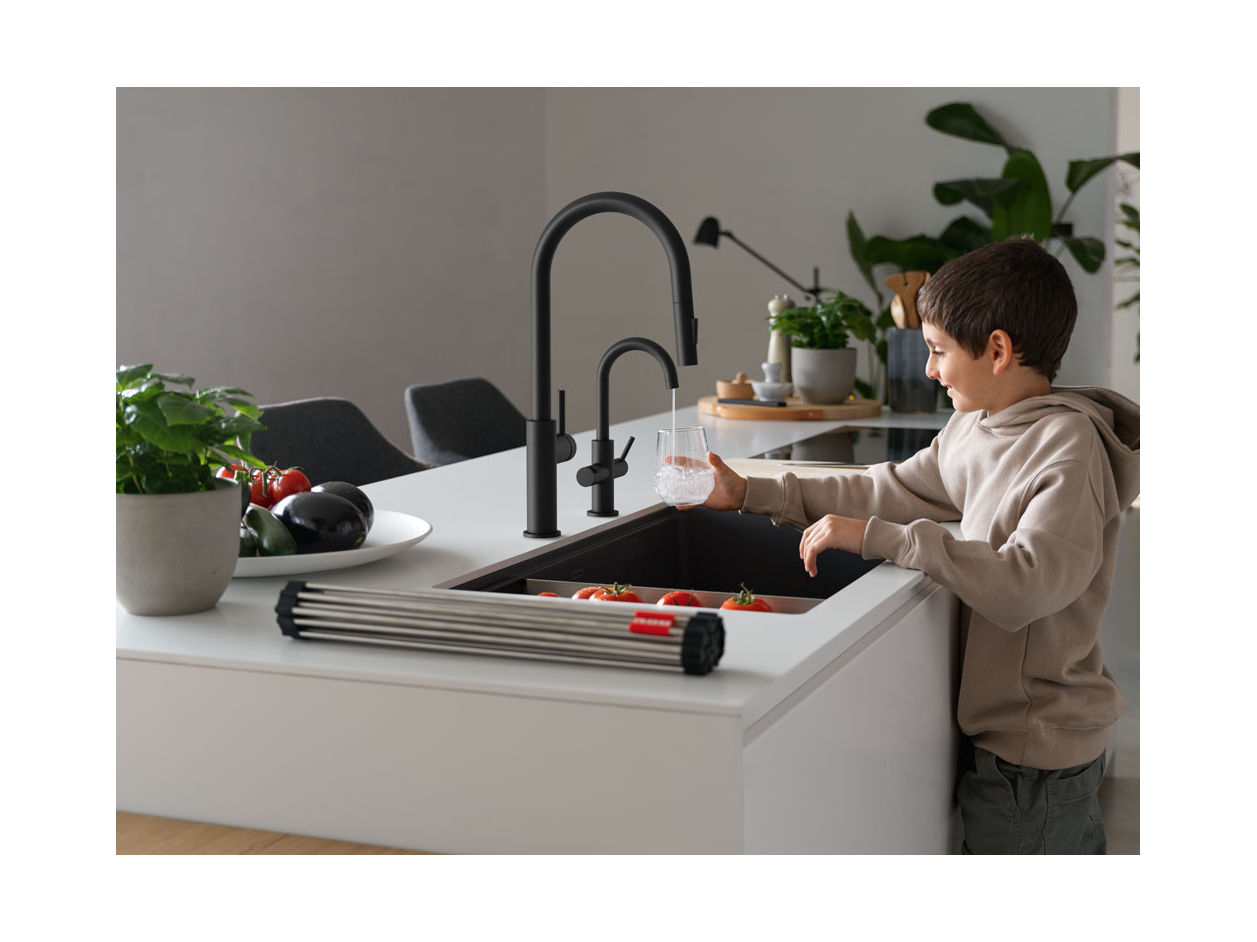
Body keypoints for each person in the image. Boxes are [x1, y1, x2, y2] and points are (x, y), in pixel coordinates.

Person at [695, 237, 1140, 854]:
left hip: (1037, 756)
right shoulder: (973, 427)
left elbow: (1028, 583)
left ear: (998, 350)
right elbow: (892, 488)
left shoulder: (1068, 448)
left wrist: (884, 541)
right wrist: (751, 493)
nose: (928, 369)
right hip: (1003, 744)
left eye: (937, 351)